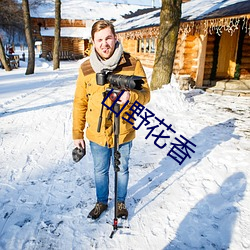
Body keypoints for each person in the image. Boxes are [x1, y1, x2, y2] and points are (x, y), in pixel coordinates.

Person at [72, 20, 150, 220]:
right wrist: (77, 134)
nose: (104, 43)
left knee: (122, 168)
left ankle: (121, 202)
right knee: (100, 170)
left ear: (115, 38)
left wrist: (131, 96)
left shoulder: (132, 63)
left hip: (123, 130)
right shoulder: (86, 68)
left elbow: (146, 94)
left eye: (108, 38)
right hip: (97, 133)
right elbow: (80, 102)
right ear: (93, 42)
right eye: (99, 40)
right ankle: (101, 202)